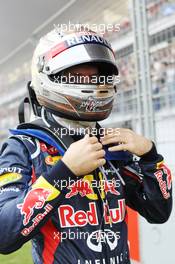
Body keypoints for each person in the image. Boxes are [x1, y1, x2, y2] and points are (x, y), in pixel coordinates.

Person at [0, 27, 172, 264]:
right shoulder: (25, 147)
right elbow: (4, 235)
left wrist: (150, 157)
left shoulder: (113, 145)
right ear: (50, 76)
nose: (93, 84)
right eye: (79, 77)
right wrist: (64, 172)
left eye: (97, 77)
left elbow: (158, 212)